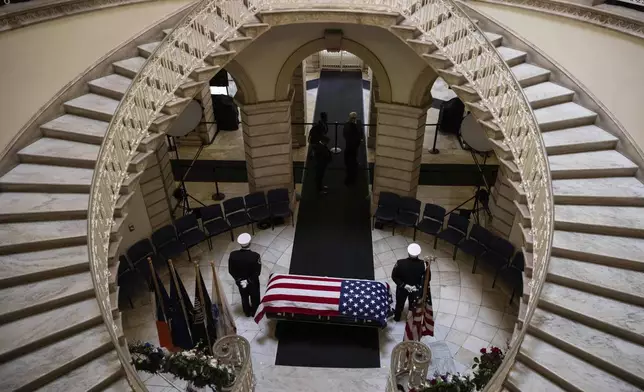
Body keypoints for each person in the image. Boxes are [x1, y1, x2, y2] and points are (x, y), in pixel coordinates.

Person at [228, 233, 262, 317]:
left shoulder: (233, 255)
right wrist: (248, 281)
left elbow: (231, 270)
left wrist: (239, 280)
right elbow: (257, 272)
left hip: (240, 282)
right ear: (250, 243)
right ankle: (255, 312)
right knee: (255, 297)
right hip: (253, 283)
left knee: (244, 297)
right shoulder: (255, 256)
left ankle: (246, 312)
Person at [391, 243, 427, 321]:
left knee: (399, 304)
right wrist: (416, 286)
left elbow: (394, 276)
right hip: (415, 290)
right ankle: (411, 319)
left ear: (408, 252)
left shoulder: (400, 263)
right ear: (418, 254)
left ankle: (397, 317)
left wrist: (404, 285)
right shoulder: (422, 265)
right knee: (413, 305)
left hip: (402, 289)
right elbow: (425, 279)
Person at [342, 112, 364, 185]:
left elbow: (360, 133)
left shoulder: (349, 125)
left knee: (351, 157)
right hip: (351, 145)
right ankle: (351, 174)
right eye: (353, 118)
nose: (353, 119)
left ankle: (351, 174)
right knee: (350, 159)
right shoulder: (351, 125)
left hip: (352, 145)